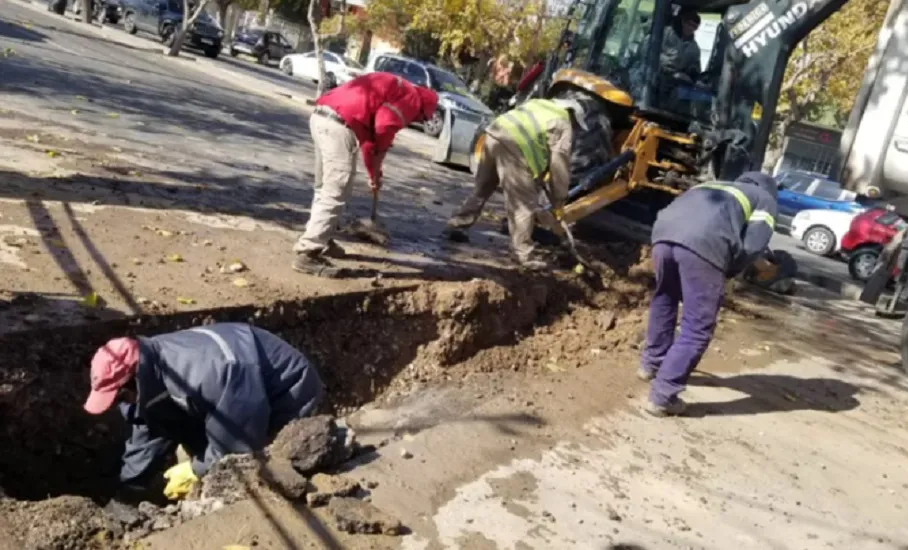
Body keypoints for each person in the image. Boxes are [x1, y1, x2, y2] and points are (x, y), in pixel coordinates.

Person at [83, 323, 325, 499]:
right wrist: (131, 486)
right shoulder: (154, 371)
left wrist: (195, 470)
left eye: (120, 396)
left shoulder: (211, 375)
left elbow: (237, 443)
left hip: (288, 393)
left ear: (134, 380)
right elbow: (150, 428)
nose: (122, 404)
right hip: (235, 395)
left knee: (254, 472)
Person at [639, 172, 778, 416]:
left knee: (665, 298)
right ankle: (663, 396)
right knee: (697, 326)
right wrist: (729, 271)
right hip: (704, 245)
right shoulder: (764, 198)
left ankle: (651, 364)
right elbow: (752, 245)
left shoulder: (714, 185)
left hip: (663, 235)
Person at [293, 72, 439, 276]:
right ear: (423, 109)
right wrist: (376, 167)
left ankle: (321, 236)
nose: (417, 120)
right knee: (335, 191)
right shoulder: (412, 101)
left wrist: (374, 173)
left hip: (321, 116)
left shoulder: (398, 88)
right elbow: (383, 128)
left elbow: (370, 141)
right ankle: (308, 252)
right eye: (422, 118)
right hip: (339, 126)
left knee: (324, 187)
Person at [443, 98, 586, 269]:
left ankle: (458, 223)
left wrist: (538, 178)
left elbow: (534, 139)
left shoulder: (539, 104)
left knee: (482, 189)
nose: (575, 129)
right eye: (576, 126)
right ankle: (523, 254)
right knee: (524, 205)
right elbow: (559, 164)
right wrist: (559, 198)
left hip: (493, 136)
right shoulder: (563, 123)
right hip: (514, 149)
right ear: (573, 116)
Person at [660, 9, 702, 80]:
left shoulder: (695, 49)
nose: (691, 28)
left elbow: (696, 68)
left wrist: (692, 71)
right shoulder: (665, 33)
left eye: (695, 27)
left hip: (676, 80)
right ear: (683, 22)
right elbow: (647, 51)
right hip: (656, 74)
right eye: (689, 24)